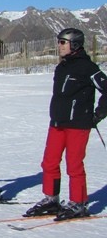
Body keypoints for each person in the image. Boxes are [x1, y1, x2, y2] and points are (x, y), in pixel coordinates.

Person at [24, 28, 107, 220]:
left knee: (74, 164)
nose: (59, 46)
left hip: (78, 124)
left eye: (63, 42)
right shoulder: (61, 67)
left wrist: (97, 114)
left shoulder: (88, 68)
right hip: (57, 123)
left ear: (75, 44)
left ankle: (78, 203)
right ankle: (51, 199)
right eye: (59, 42)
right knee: (49, 162)